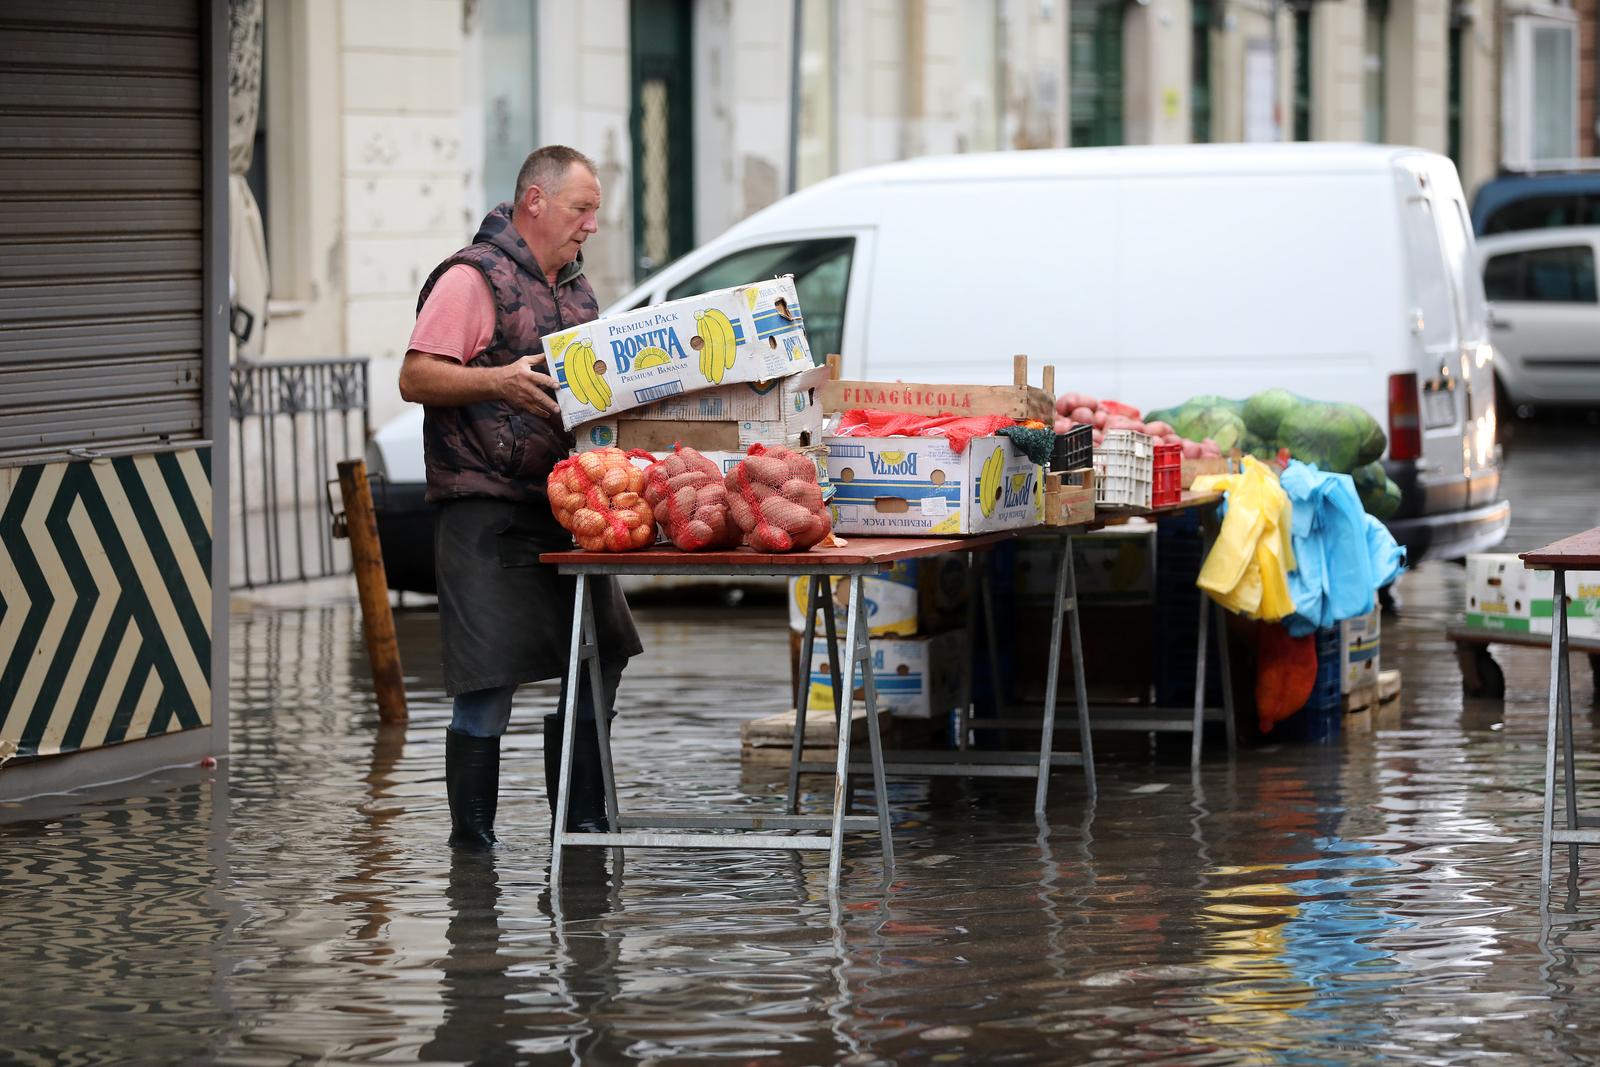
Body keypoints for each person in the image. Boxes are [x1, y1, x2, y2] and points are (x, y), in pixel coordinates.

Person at [399, 145, 641, 849]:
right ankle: (474, 851)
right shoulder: (472, 279)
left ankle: (581, 823)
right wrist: (498, 381)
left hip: (569, 505)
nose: (592, 224)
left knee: (608, 648)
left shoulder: (577, 290)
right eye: (581, 209)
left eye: (595, 211)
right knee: (488, 683)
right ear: (534, 201)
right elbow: (416, 376)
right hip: (483, 509)